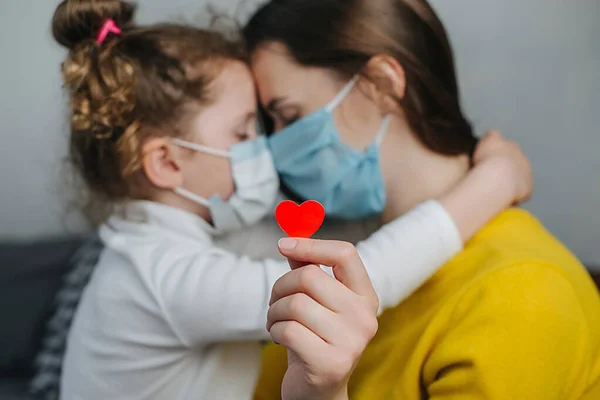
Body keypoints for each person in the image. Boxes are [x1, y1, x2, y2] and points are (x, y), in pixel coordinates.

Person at [52, 1, 530, 399]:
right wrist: (494, 182)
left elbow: (310, 246)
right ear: (167, 164)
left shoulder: (165, 250)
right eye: (243, 131)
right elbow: (357, 280)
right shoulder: (164, 277)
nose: (266, 148)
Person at [244, 0, 600, 399]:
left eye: (290, 117)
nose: (277, 148)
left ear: (381, 82)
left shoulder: (523, 290)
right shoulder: (346, 257)